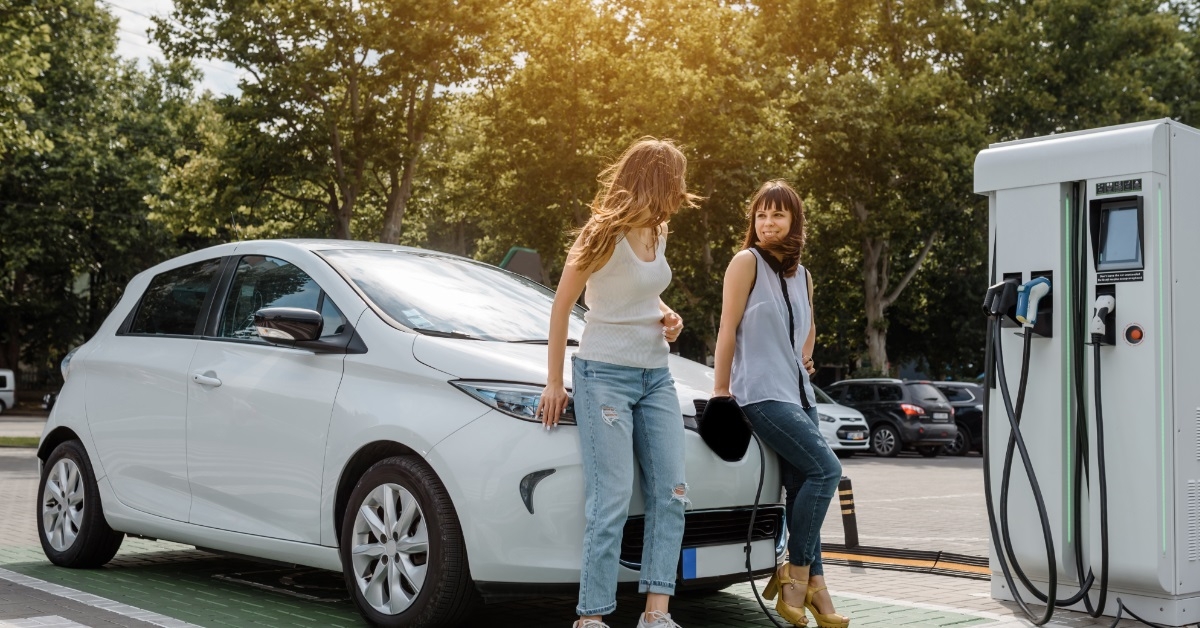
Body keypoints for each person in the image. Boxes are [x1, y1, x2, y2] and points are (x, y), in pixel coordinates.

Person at [537, 137, 698, 628]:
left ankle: (656, 614)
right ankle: (592, 617)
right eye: (675, 181)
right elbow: (564, 306)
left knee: (672, 492)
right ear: (657, 180)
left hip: (655, 376)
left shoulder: (660, 231)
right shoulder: (600, 233)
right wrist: (554, 382)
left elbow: (640, 296)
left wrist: (670, 317)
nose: (680, 192)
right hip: (603, 373)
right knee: (612, 496)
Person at [711, 180, 849, 628]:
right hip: (760, 392)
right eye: (761, 216)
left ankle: (813, 593)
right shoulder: (745, 262)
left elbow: (807, 327)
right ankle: (799, 574)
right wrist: (720, 390)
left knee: (803, 494)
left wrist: (805, 357)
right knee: (827, 471)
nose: (768, 224)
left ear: (795, 222)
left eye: (778, 216)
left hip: (800, 395)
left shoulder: (803, 275)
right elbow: (727, 328)